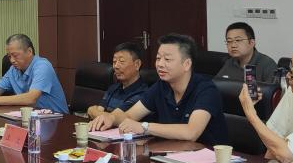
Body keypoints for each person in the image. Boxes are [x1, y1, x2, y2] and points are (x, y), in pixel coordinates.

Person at [88, 34, 229, 146]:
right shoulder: (161, 86)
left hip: (210, 161)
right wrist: (111, 117)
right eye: (158, 58)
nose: (160, 64)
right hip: (172, 155)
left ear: (186, 64)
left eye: (167, 59)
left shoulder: (206, 90)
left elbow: (191, 132)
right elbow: (130, 116)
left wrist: (144, 127)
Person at [0, 34, 69, 113]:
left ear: (29, 52)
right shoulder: (14, 69)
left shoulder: (42, 66)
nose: (12, 60)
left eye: (15, 55)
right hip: (31, 116)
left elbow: (31, 98)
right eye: (9, 56)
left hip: (57, 118)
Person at [86, 42, 148, 120]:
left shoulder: (142, 94)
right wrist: (94, 111)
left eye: (121, 61)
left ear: (137, 64)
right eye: (114, 62)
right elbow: (98, 110)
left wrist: (92, 110)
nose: (116, 66)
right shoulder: (113, 88)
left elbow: (112, 119)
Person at [214, 22, 278, 83]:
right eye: (229, 41)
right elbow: (216, 85)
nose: (233, 45)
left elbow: (272, 90)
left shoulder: (267, 65)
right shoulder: (230, 62)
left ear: (252, 43)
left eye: (238, 40)